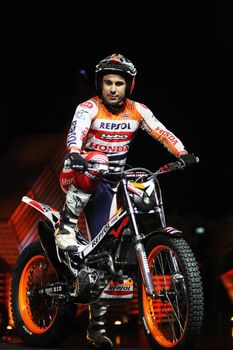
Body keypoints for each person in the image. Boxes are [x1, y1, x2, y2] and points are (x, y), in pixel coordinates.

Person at [54, 53, 198, 348]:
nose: (113, 88)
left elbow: (161, 131)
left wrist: (182, 153)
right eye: (107, 82)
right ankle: (66, 227)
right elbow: (76, 131)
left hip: (110, 183)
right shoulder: (88, 107)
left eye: (119, 83)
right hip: (79, 171)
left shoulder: (137, 111)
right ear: (99, 84)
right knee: (99, 160)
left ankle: (96, 327)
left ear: (129, 86)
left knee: (105, 253)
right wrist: (74, 153)